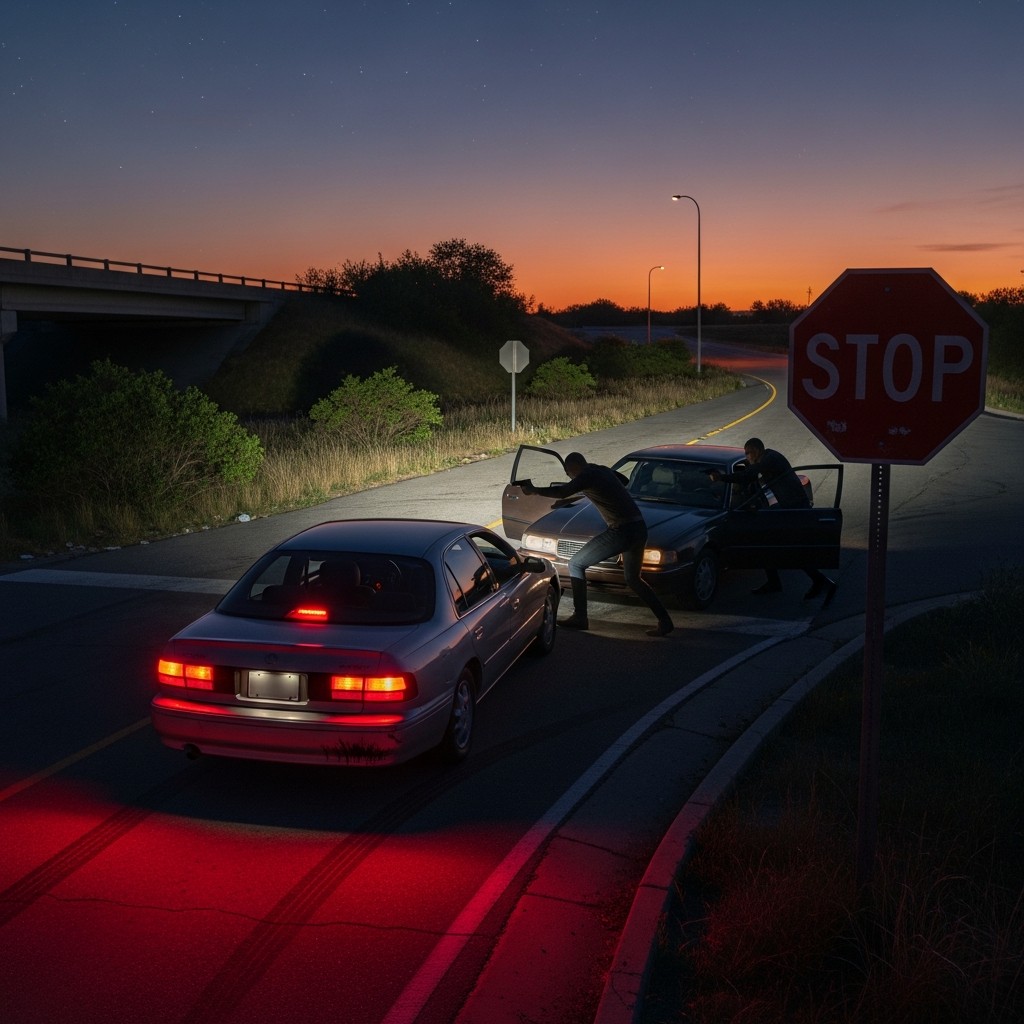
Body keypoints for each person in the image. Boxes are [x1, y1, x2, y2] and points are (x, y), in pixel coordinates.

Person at [520, 451, 674, 637]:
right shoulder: (600, 470)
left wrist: (534, 489)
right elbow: (622, 481)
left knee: (576, 563)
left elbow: (563, 491)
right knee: (633, 579)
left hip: (621, 530)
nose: (569, 478)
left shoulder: (586, 476)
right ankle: (665, 621)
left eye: (568, 474)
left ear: (571, 469)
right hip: (638, 527)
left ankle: (580, 617)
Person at [708, 437, 837, 606]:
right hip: (787, 508)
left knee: (791, 550)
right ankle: (776, 582)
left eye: (748, 453)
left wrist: (721, 478)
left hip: (795, 509)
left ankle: (822, 582)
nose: (747, 457)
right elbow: (753, 481)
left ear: (756, 451)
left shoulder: (770, 459)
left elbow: (749, 475)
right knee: (769, 543)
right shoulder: (768, 459)